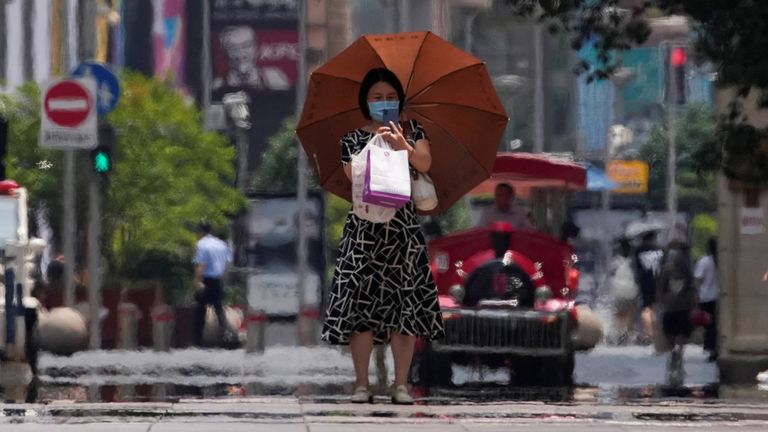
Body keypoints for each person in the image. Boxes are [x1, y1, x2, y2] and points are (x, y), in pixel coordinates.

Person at [321, 67, 444, 405]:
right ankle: (362, 384)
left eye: (390, 97)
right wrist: (378, 144)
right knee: (360, 309)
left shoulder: (413, 130)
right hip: (364, 230)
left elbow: (425, 162)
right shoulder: (352, 139)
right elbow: (351, 175)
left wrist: (400, 142)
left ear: (400, 101)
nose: (384, 102)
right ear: (366, 102)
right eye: (377, 98)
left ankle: (400, 384)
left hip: (403, 229)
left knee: (406, 306)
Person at [656, 240, 697, 386]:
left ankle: (674, 351)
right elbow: (692, 287)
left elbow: (661, 286)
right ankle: (678, 351)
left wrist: (660, 302)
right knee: (682, 335)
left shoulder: (665, 266)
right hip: (684, 306)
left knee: (670, 334)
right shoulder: (687, 267)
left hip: (670, 306)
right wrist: (694, 304)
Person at [193, 222, 234, 347]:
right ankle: (226, 336)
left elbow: (201, 264)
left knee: (200, 310)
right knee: (219, 309)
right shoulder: (221, 244)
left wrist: (198, 281)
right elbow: (227, 264)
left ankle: (198, 339)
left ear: (200, 231)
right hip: (218, 280)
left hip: (206, 279)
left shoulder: (201, 244)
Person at [213, 26, 290, 91]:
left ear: (256, 48)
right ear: (224, 52)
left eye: (246, 46)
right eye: (233, 48)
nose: (241, 54)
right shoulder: (217, 85)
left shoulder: (273, 78)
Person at [606, 238, 639, 345]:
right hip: (631, 289)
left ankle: (617, 333)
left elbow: (610, 275)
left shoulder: (615, 261)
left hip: (618, 290)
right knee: (630, 312)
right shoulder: (633, 260)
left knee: (619, 313)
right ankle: (627, 334)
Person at [634, 231, 664, 344]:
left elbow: (636, 267)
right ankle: (658, 332)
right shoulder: (661, 250)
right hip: (659, 281)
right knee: (659, 307)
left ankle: (648, 333)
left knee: (646, 308)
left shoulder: (639, 250)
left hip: (645, 282)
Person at [694, 237, 719, 362]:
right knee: (715, 325)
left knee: (708, 326)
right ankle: (716, 348)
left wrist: (695, 295)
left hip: (705, 297)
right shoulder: (720, 261)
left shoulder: (704, 261)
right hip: (717, 297)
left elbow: (698, 279)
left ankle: (711, 348)